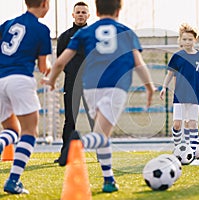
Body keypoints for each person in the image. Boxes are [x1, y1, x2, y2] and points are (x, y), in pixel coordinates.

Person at [43, 0, 155, 193]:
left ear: (95, 10)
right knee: (101, 135)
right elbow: (138, 63)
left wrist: (52, 79)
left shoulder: (85, 33)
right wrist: (149, 86)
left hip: (91, 87)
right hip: (115, 87)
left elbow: (60, 61)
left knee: (103, 134)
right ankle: (79, 143)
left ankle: (109, 179)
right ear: (119, 9)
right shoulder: (126, 32)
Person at [0, 0, 52, 194]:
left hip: (0, 78)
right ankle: (13, 181)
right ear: (45, 3)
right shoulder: (41, 29)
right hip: (20, 79)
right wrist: (51, 72)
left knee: (12, 129)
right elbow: (42, 66)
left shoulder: (8, 24)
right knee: (29, 132)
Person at [160, 23, 199, 159]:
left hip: (196, 94)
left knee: (193, 123)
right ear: (180, 40)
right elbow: (170, 74)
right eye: (184, 39)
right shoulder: (177, 56)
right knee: (177, 124)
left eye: (190, 39)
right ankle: (178, 149)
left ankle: (196, 152)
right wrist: (164, 87)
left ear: (195, 40)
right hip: (180, 95)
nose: (187, 42)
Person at [54, 1, 94, 163]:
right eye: (78, 12)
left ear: (88, 15)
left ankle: (103, 153)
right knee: (70, 119)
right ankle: (66, 153)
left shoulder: (95, 35)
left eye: (84, 12)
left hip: (92, 84)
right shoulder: (65, 36)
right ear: (73, 14)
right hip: (71, 84)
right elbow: (60, 60)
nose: (80, 15)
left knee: (95, 118)